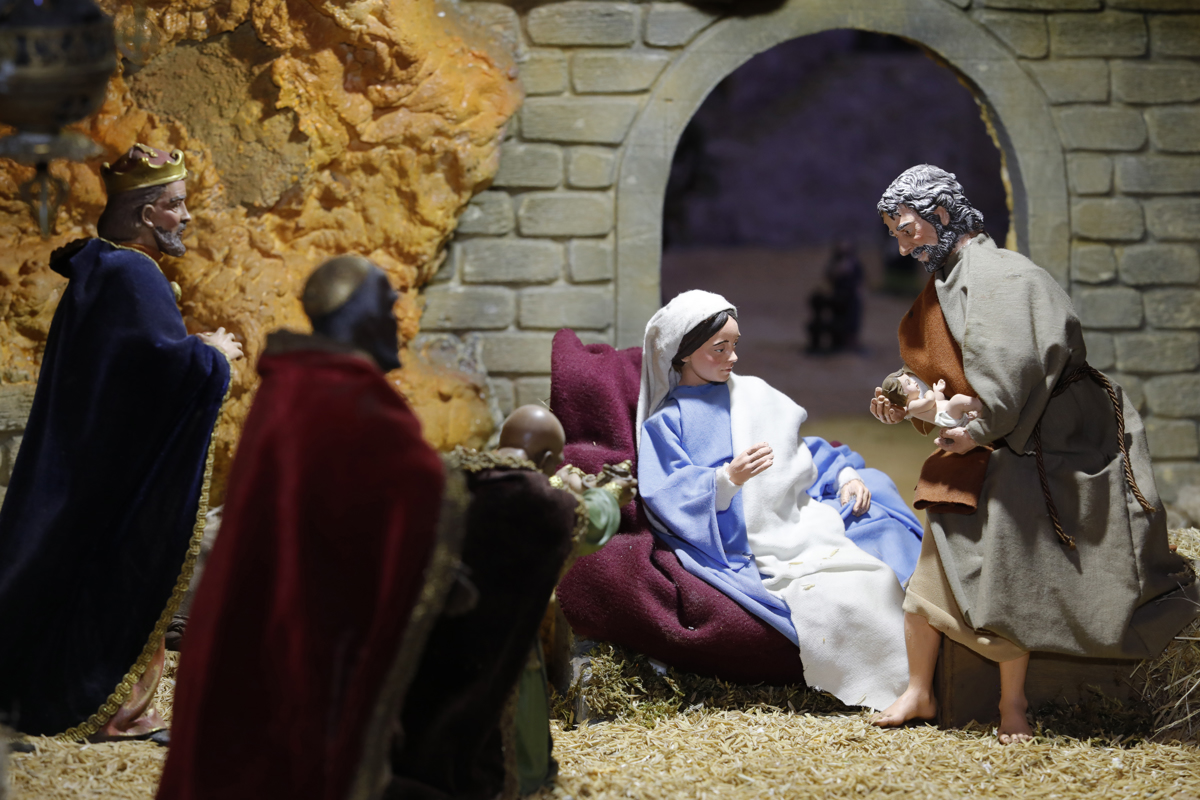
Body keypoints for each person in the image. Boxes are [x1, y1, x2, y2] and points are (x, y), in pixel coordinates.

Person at [868, 164, 1199, 743]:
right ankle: (921, 689)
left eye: (908, 229)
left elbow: (1009, 371)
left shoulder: (1000, 276)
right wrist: (909, 396)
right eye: (895, 233)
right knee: (939, 540)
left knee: (1010, 556)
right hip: (1002, 430)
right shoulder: (949, 277)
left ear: (942, 216)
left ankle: (1012, 705)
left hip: (1055, 438)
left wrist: (977, 427)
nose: (902, 246)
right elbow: (947, 371)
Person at [157, 255, 445, 800]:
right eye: (387, 309)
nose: (398, 324)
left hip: (262, 622)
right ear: (361, 319)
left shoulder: (291, 386)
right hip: (312, 640)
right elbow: (423, 489)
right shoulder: (350, 400)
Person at [0, 143, 241, 743]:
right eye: (176, 206)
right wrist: (212, 356)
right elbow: (158, 370)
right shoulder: (133, 272)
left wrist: (192, 349)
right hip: (108, 474)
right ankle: (113, 710)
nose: (186, 217)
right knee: (120, 572)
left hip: (91, 461)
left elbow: (130, 364)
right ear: (145, 213)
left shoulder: (107, 264)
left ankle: (122, 706)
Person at [637, 290, 923, 711]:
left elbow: (799, 450)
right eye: (720, 348)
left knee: (878, 527)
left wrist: (844, 473)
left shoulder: (754, 392)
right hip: (750, 539)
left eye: (735, 345)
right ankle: (894, 682)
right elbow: (668, 490)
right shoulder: (669, 421)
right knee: (846, 592)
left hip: (800, 517)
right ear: (683, 355)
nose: (732, 357)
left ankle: (924, 669)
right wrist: (725, 479)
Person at [880, 369, 981, 432]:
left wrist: (938, 391)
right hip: (948, 417)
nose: (914, 382)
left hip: (948, 413)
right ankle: (983, 406)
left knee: (958, 402)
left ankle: (978, 410)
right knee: (957, 399)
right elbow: (930, 401)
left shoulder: (918, 401)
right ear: (902, 395)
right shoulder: (912, 407)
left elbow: (939, 403)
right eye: (909, 383)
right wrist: (930, 392)